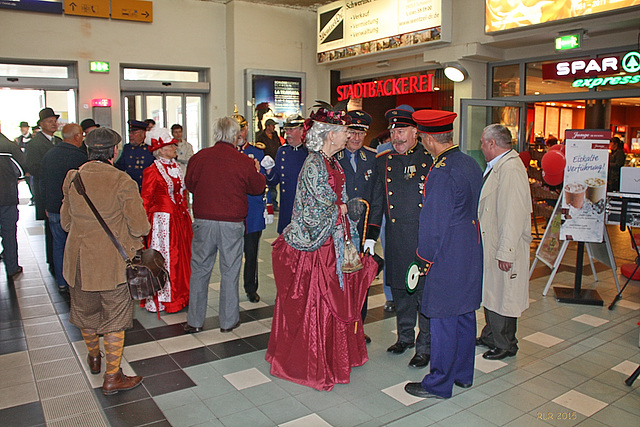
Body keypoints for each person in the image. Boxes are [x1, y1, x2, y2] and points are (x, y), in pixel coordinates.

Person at [266, 103, 378, 391]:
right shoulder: (316, 164)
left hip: (333, 242)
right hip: (318, 248)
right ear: (330, 135)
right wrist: (341, 209)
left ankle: (333, 356)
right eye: (343, 131)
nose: (347, 135)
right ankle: (317, 361)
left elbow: (331, 201)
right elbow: (314, 211)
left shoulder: (331, 161)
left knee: (335, 299)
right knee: (320, 301)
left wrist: (344, 216)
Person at [61, 127, 150, 395]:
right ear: (113, 151)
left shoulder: (73, 178)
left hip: (78, 264)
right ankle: (112, 377)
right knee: (114, 319)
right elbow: (140, 226)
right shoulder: (122, 181)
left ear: (87, 150)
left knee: (85, 313)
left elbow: (66, 222)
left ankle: (94, 357)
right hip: (113, 264)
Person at [404, 109, 483, 400]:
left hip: (447, 252)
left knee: (442, 317)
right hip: (470, 247)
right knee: (464, 313)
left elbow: (434, 222)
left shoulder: (441, 171)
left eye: (421, 137)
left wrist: (423, 260)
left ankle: (438, 383)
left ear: (428, 138)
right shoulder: (469, 163)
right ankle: (463, 374)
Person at [363, 105, 432, 369]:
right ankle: (405, 337)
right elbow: (377, 202)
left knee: (423, 294)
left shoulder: (430, 160)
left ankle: (424, 346)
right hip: (395, 238)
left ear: (415, 132)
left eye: (402, 130)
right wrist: (371, 236)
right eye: (393, 131)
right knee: (401, 290)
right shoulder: (384, 161)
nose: (397, 137)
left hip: (423, 238)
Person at [184, 117, 266, 334]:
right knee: (229, 271)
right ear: (234, 135)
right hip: (231, 223)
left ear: (215, 134)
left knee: (200, 270)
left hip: (203, 221)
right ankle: (228, 322)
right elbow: (257, 188)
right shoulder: (242, 161)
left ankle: (194, 321)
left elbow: (189, 184)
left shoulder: (199, 157)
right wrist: (256, 170)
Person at [475, 124, 532, 361]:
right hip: (492, 242)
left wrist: (506, 252)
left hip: (503, 244)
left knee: (503, 295)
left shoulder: (510, 169)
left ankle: (506, 344)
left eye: (482, 142)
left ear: (491, 143)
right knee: (492, 292)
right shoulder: (498, 166)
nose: (480, 146)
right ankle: (490, 335)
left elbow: (513, 214)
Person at [335, 109, 377, 343]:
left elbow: (377, 197)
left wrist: (372, 232)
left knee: (361, 281)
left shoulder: (371, 158)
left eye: (361, 133)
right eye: (352, 132)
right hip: (339, 231)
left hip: (361, 233)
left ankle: (358, 327)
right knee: (339, 280)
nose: (357, 138)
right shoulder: (333, 158)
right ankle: (340, 326)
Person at [140, 128, 192, 313]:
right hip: (163, 221)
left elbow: (183, 194)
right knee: (167, 258)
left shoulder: (177, 167)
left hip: (180, 219)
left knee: (182, 258)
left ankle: (181, 295)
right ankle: (164, 297)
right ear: (161, 150)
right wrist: (144, 227)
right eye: (170, 146)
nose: (174, 147)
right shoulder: (152, 171)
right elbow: (145, 198)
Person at [40, 123, 88, 292]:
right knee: (76, 245)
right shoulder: (80, 158)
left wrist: (45, 206)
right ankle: (76, 281)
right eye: (81, 135)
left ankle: (62, 281)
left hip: (53, 208)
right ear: (76, 137)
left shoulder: (49, 154)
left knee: (58, 244)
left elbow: (42, 183)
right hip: (74, 210)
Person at [233, 108, 269, 303]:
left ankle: (250, 288)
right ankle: (230, 288)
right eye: (234, 130)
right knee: (230, 254)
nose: (238, 134)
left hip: (252, 211)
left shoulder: (256, 152)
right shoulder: (227, 153)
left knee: (252, 253)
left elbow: (264, 180)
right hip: (231, 212)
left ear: (246, 130)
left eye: (241, 129)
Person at [26, 107, 61, 273]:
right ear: (41, 124)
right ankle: (53, 262)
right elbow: (32, 167)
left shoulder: (58, 141)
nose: (53, 124)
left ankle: (59, 261)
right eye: (49, 121)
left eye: (54, 121)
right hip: (46, 190)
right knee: (50, 228)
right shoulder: (35, 143)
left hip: (60, 190)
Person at [266, 114, 307, 234]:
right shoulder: (282, 151)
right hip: (287, 208)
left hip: (304, 210)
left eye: (291, 129)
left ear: (301, 130)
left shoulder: (309, 152)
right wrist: (269, 170)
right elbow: (274, 180)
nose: (287, 132)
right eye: (286, 129)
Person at [0, 131, 27, 280]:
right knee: (9, 233)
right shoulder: (9, 146)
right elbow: (23, 168)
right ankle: (11, 267)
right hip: (7, 196)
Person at [115, 120, 154, 191]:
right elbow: (120, 167)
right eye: (130, 132)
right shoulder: (127, 148)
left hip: (147, 188)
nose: (130, 135)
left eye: (134, 133)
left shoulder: (150, 148)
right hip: (131, 188)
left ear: (143, 134)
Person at [257, 118, 282, 210]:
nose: (274, 127)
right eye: (272, 126)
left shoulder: (275, 135)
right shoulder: (260, 136)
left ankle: (274, 203)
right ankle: (268, 203)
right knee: (267, 184)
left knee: (274, 185)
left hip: (275, 163)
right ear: (267, 126)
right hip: (265, 163)